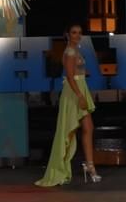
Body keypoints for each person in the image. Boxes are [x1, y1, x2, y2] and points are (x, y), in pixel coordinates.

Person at [35, 23, 101, 186]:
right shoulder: (70, 52)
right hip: (74, 92)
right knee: (68, 131)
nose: (77, 35)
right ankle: (63, 168)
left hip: (79, 88)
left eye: (79, 33)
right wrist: (80, 96)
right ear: (67, 35)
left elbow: (75, 73)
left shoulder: (75, 50)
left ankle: (89, 166)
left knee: (87, 128)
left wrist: (83, 73)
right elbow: (70, 77)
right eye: (74, 32)